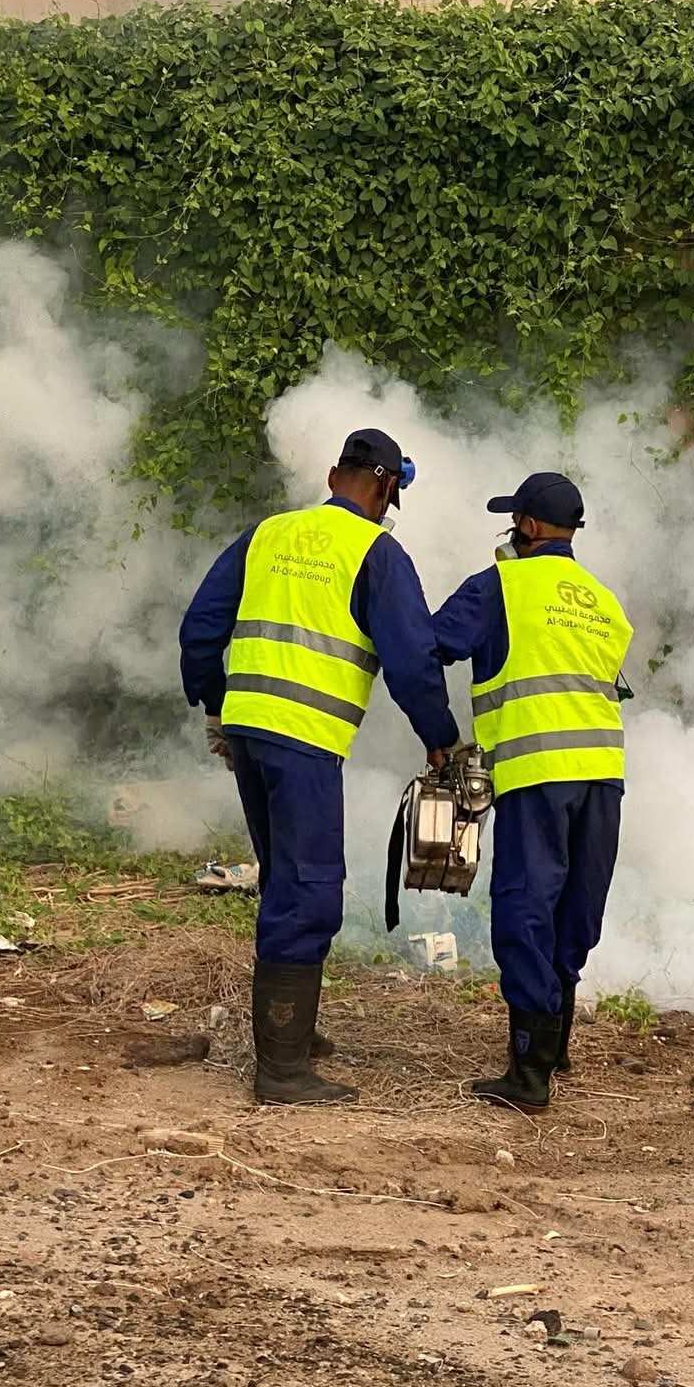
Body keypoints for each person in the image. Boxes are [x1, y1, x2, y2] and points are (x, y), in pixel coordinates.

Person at [179, 429, 457, 1104]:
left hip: (248, 730)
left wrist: (216, 706)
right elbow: (413, 661)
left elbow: (200, 629)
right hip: (303, 738)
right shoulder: (377, 553)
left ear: (335, 476)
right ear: (386, 490)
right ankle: (281, 1070)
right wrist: (440, 737)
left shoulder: (266, 534)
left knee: (284, 877)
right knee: (308, 890)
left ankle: (291, 1035)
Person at [431, 472, 632, 1111]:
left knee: (525, 906)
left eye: (513, 520)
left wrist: (437, 730)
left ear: (529, 526)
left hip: (535, 774)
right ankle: (555, 1044)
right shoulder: (602, 600)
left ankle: (528, 1071)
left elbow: (434, 641)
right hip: (602, 777)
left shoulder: (500, 586)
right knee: (577, 909)